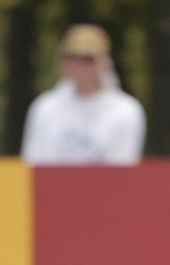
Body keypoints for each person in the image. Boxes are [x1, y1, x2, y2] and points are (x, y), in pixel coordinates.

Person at [21, 25, 145, 165]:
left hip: (105, 186)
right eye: (72, 58)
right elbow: (33, 163)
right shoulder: (45, 107)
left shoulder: (125, 110)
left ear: (105, 63)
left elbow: (124, 168)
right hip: (54, 186)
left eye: (88, 59)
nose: (79, 66)